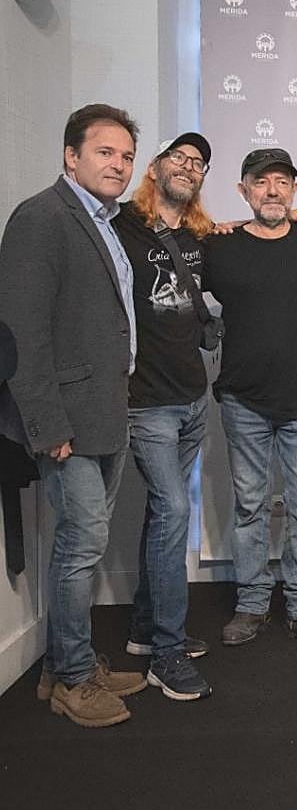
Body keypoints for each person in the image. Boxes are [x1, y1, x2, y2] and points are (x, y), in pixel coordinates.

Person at [0, 104, 147, 727]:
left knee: (84, 542)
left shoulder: (102, 220)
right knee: (81, 543)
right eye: (105, 153)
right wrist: (48, 425)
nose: (118, 165)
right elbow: (20, 334)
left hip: (104, 412)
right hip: (67, 421)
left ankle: (72, 661)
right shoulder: (41, 218)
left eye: (125, 156)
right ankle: (70, 680)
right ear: (71, 156)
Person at [205, 148, 297, 650]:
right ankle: (251, 603)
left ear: (294, 190)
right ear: (244, 190)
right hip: (244, 400)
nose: (272, 190)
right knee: (250, 506)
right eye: (261, 181)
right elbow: (173, 295)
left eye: (282, 181)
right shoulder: (218, 246)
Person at [112, 133, 218, 700]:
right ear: (154, 168)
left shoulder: (201, 236)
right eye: (178, 157)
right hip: (146, 401)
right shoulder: (120, 225)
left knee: (162, 515)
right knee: (175, 511)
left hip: (191, 398)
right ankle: (166, 654)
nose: (188, 167)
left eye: (197, 163)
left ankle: (142, 633)